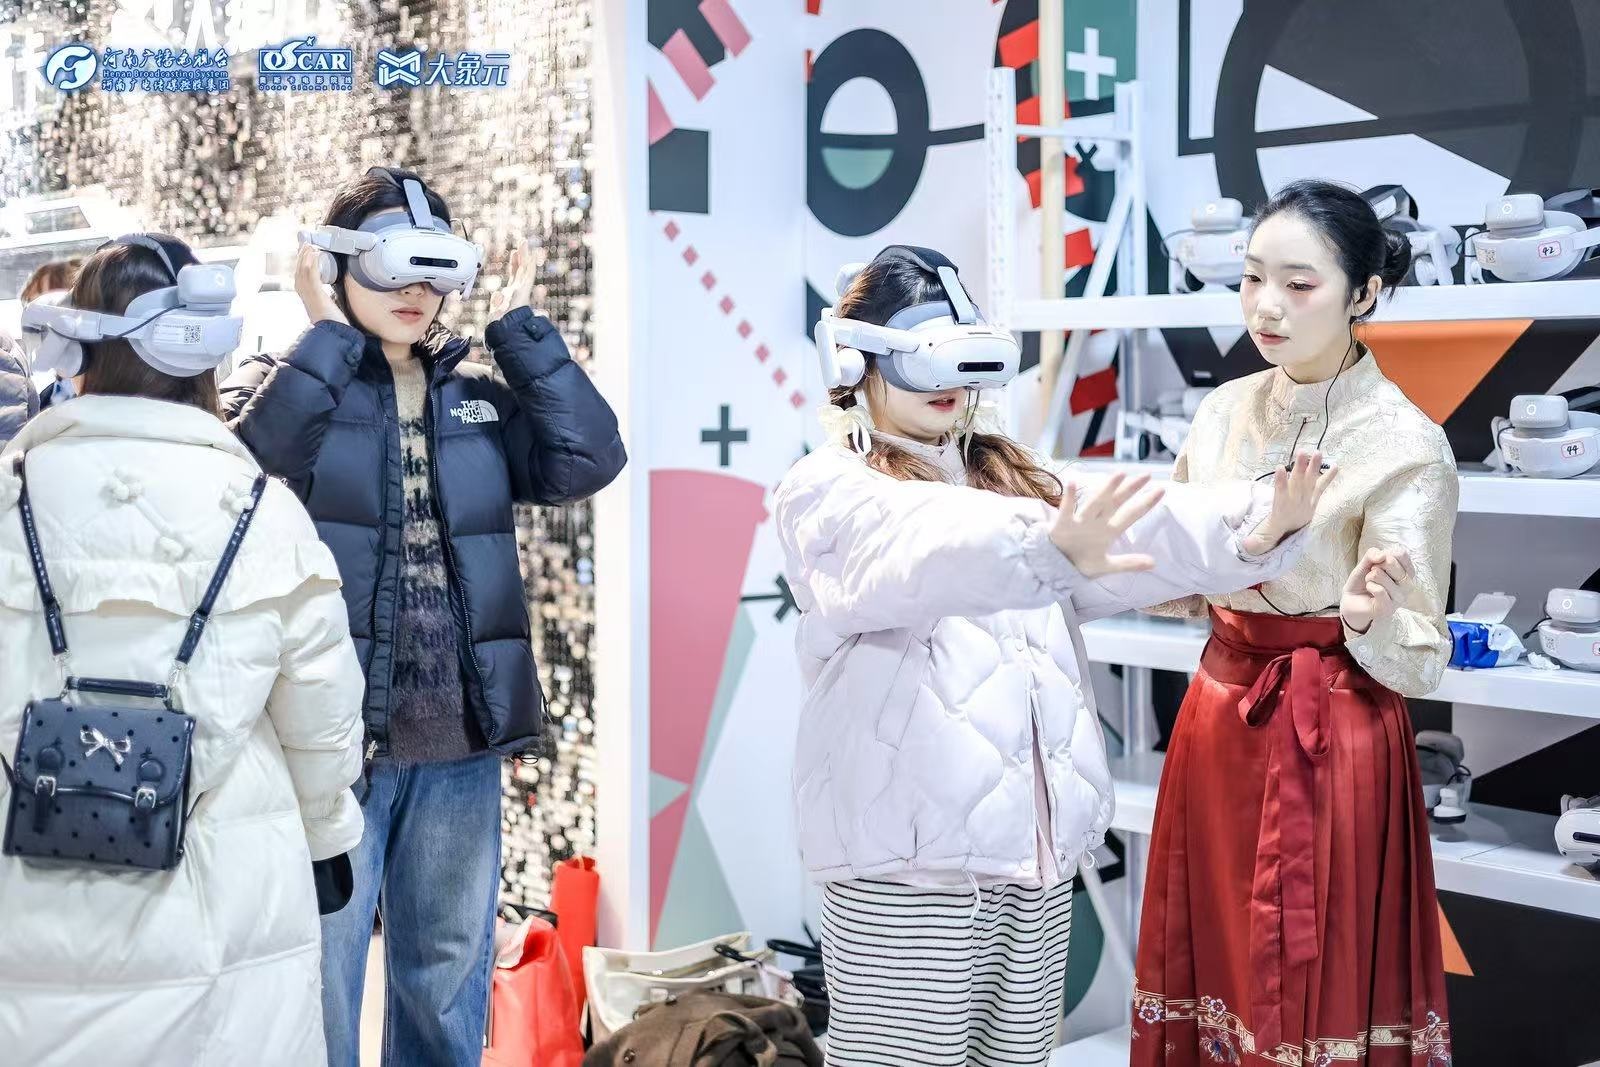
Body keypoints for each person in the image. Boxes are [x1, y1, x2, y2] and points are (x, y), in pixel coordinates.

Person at [773, 245, 1335, 1067]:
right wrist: (1045, 546)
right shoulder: (828, 491)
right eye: (923, 358)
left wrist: (1256, 522)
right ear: (856, 361)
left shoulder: (1010, 474)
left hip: (1032, 855)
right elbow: (923, 545)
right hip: (908, 868)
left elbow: (1143, 518)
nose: (949, 384)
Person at [220, 166, 627, 1065]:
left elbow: (588, 458)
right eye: (391, 266)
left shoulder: (472, 396)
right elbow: (253, 466)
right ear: (336, 265)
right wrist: (324, 333)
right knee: (321, 984)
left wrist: (519, 330)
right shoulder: (287, 382)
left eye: (434, 269)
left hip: (459, 747)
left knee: (446, 990)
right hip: (327, 750)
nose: (415, 292)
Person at [0, 234, 366, 1064]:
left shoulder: (10, 496)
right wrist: (326, 833)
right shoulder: (264, 512)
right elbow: (322, 719)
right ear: (206, 360)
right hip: (221, 904)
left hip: (26, 909)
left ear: (78, 348)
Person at [1131, 180, 1457, 1066]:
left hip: (1333, 732)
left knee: (1321, 974)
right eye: (1252, 278)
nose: (1266, 305)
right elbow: (1172, 583)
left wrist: (1366, 619)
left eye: (1299, 284)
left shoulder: (1406, 442)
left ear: (1364, 293)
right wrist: (1174, 558)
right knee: (1213, 955)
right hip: (1218, 715)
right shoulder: (1220, 412)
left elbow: (1422, 657)